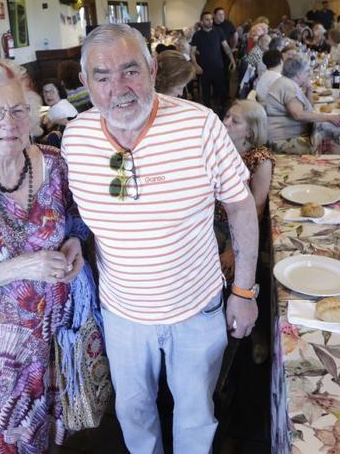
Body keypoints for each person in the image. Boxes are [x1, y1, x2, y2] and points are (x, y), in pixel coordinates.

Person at [62, 23, 260, 454]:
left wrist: (244, 290)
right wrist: (75, 239)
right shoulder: (75, 139)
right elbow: (76, 211)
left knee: (194, 414)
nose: (119, 87)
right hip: (122, 314)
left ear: (152, 69)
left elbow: (241, 208)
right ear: (85, 83)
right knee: (133, 413)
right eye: (102, 76)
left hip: (196, 310)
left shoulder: (200, 126)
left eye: (131, 69)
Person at [0, 58, 93, 453]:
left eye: (17, 110)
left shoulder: (55, 163)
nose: (7, 122)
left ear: (31, 114)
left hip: (55, 334)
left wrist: (74, 243)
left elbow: (75, 219)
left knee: (53, 434)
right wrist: (24, 266)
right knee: (11, 439)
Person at [263, 55, 340, 154]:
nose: (308, 75)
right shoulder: (288, 86)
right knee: (325, 148)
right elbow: (298, 114)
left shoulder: (287, 83)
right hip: (281, 141)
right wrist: (327, 118)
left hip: (284, 136)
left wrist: (309, 89)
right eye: (306, 72)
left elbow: (308, 109)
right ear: (299, 74)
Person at [222, 100, 274, 218]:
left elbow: (258, 207)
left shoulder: (261, 160)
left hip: (234, 222)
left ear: (250, 132)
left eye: (235, 121)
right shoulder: (221, 147)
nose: (225, 122)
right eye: (227, 116)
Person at [191, 11, 236, 115]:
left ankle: (221, 112)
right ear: (202, 21)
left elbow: (226, 47)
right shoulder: (197, 35)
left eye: (211, 19)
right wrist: (196, 65)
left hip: (218, 67)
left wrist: (232, 60)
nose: (210, 21)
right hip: (204, 68)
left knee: (221, 92)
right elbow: (192, 53)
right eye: (207, 19)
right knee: (205, 94)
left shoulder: (219, 31)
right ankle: (207, 114)